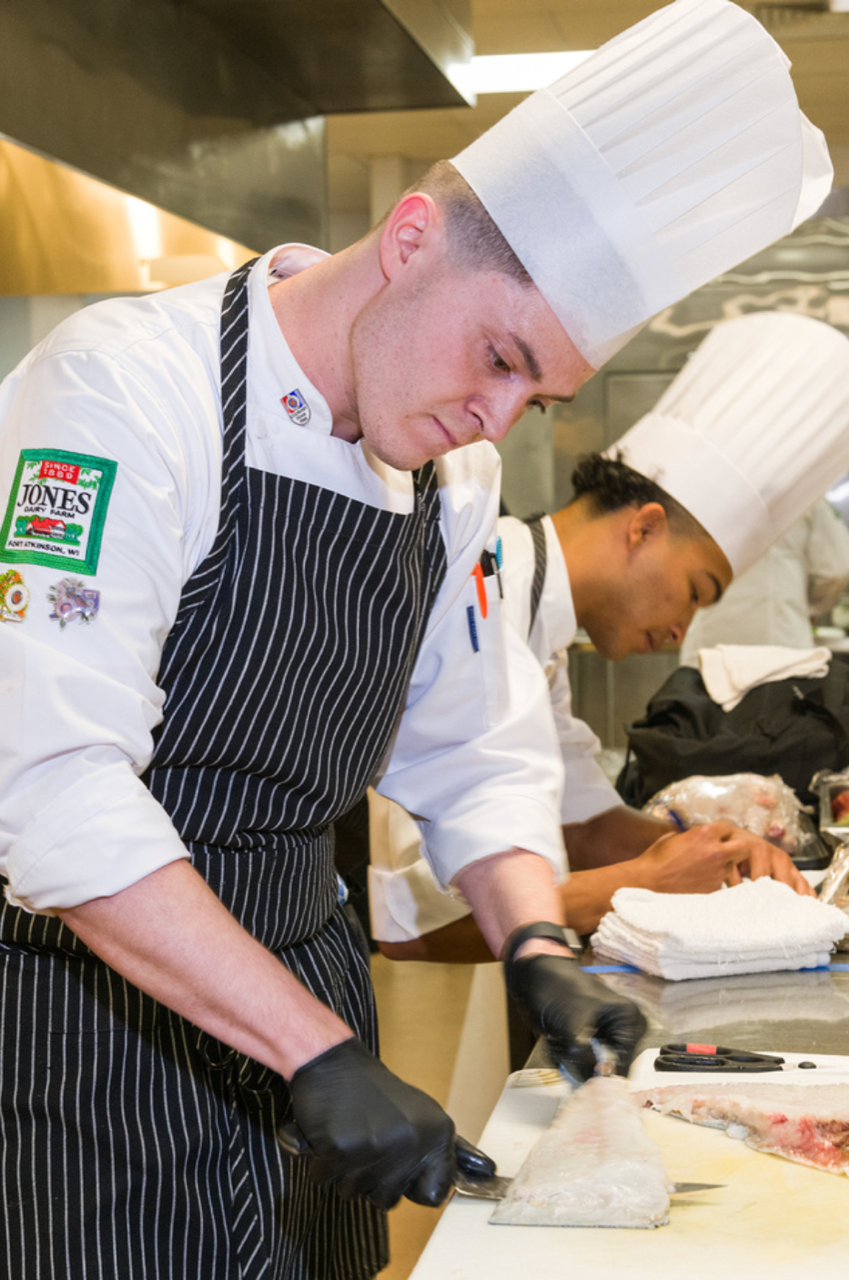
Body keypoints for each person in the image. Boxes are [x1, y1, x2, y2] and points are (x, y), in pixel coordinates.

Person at [0, 2, 834, 1277]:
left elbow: (472, 749)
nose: (494, 417)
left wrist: (537, 939)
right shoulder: (120, 393)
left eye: (535, 391)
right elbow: (49, 786)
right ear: (410, 237)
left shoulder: (448, 486)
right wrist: (315, 1049)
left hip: (305, 992)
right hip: (95, 1030)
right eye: (497, 355)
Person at [370, 311, 849, 957]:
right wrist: (647, 880)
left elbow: (583, 823)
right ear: (643, 528)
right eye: (695, 590)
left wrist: (723, 852)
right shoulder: (475, 590)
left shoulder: (539, 616)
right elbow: (405, 919)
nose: (681, 626)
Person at [679, 498, 849, 661]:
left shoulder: (705, 492)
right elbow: (835, 570)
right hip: (781, 642)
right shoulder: (805, 492)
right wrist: (812, 607)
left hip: (706, 647)